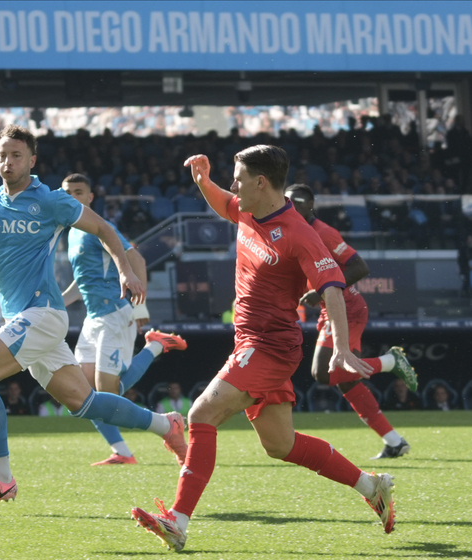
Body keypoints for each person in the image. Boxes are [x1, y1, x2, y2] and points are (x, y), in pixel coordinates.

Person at [130, 146, 406, 552]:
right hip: (249, 340)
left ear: (262, 182)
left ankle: (178, 519)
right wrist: (203, 180)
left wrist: (342, 349)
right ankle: (372, 485)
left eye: (239, 178)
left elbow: (333, 288)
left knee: (201, 413)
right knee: (282, 445)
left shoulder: (300, 234)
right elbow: (223, 201)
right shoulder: (246, 207)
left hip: (271, 346)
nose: (234, 185)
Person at [0, 124, 187, 507]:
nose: (7, 162)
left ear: (32, 160)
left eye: (16, 155)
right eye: (2, 156)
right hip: (22, 317)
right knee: (85, 403)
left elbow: (103, 228)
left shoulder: (50, 200)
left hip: (43, 312)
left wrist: (126, 270)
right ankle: (167, 424)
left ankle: (1, 477)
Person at [61, 173, 188, 466]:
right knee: (84, 396)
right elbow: (82, 283)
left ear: (90, 198)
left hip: (116, 314)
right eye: (67, 193)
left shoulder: (100, 228)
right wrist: (54, 303)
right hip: (93, 319)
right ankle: (123, 452)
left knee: (108, 395)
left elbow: (138, 261)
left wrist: (140, 307)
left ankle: (154, 349)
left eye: (78, 192)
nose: (72, 198)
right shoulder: (72, 233)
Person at [284, 183, 416, 460]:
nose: (291, 205)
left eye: (297, 201)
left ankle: (390, 361)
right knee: (347, 380)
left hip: (346, 307)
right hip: (328, 308)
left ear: (311, 206)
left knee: (322, 372)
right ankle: (394, 442)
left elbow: (360, 267)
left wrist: (319, 290)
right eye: (287, 200)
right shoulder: (290, 229)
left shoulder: (323, 232)